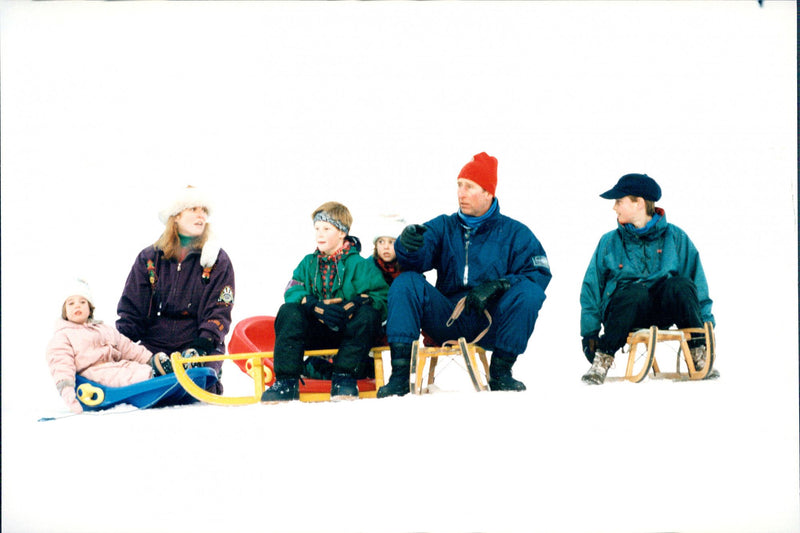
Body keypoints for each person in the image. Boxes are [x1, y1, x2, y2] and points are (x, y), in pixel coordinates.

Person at [378, 152, 551, 396]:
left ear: (488, 193)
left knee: (529, 293)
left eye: (469, 186)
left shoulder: (516, 233)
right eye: (459, 185)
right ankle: (398, 376)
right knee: (406, 282)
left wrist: (499, 285)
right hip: (447, 317)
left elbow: (539, 273)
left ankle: (501, 373)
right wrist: (406, 246)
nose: (461, 192)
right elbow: (417, 259)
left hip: (490, 321)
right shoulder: (443, 226)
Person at [579, 173, 716, 385]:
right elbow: (591, 287)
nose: (614, 208)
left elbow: (697, 283)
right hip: (624, 311)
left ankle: (698, 352)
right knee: (636, 291)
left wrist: (706, 325)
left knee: (680, 284)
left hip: (662, 311)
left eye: (619, 201)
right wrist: (590, 332)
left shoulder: (676, 238)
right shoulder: (609, 242)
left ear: (639, 203)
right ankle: (603, 359)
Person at [260, 202, 390, 402]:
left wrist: (354, 304)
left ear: (341, 233)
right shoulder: (308, 263)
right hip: (317, 330)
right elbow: (292, 288)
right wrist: (311, 304)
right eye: (317, 229)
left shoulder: (360, 265)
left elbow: (381, 296)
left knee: (369, 315)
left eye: (326, 229)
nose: (319, 234)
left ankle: (344, 377)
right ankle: (286, 381)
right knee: (289, 311)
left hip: (348, 333)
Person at [116, 185, 235, 394]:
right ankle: (153, 377)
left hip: (198, 343)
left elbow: (219, 310)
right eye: (194, 209)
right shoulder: (149, 258)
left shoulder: (217, 259)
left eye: (204, 211)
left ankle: (204, 377)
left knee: (197, 376)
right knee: (130, 375)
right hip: (154, 345)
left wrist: (202, 345)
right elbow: (132, 310)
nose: (201, 215)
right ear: (176, 216)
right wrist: (115, 345)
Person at [46, 279, 173, 413]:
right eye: (71, 303)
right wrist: (71, 400)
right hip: (92, 375)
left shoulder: (104, 329)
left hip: (115, 366)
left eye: (82, 302)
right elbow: (61, 368)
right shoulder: (62, 337)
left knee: (132, 368)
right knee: (124, 375)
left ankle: (164, 370)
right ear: (64, 311)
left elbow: (127, 347)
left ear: (90, 308)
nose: (77, 306)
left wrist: (149, 359)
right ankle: (157, 376)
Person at [371, 214, 406, 286]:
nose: (386, 247)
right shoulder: (368, 267)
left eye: (391, 242)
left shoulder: (409, 267)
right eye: (381, 242)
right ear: (376, 245)